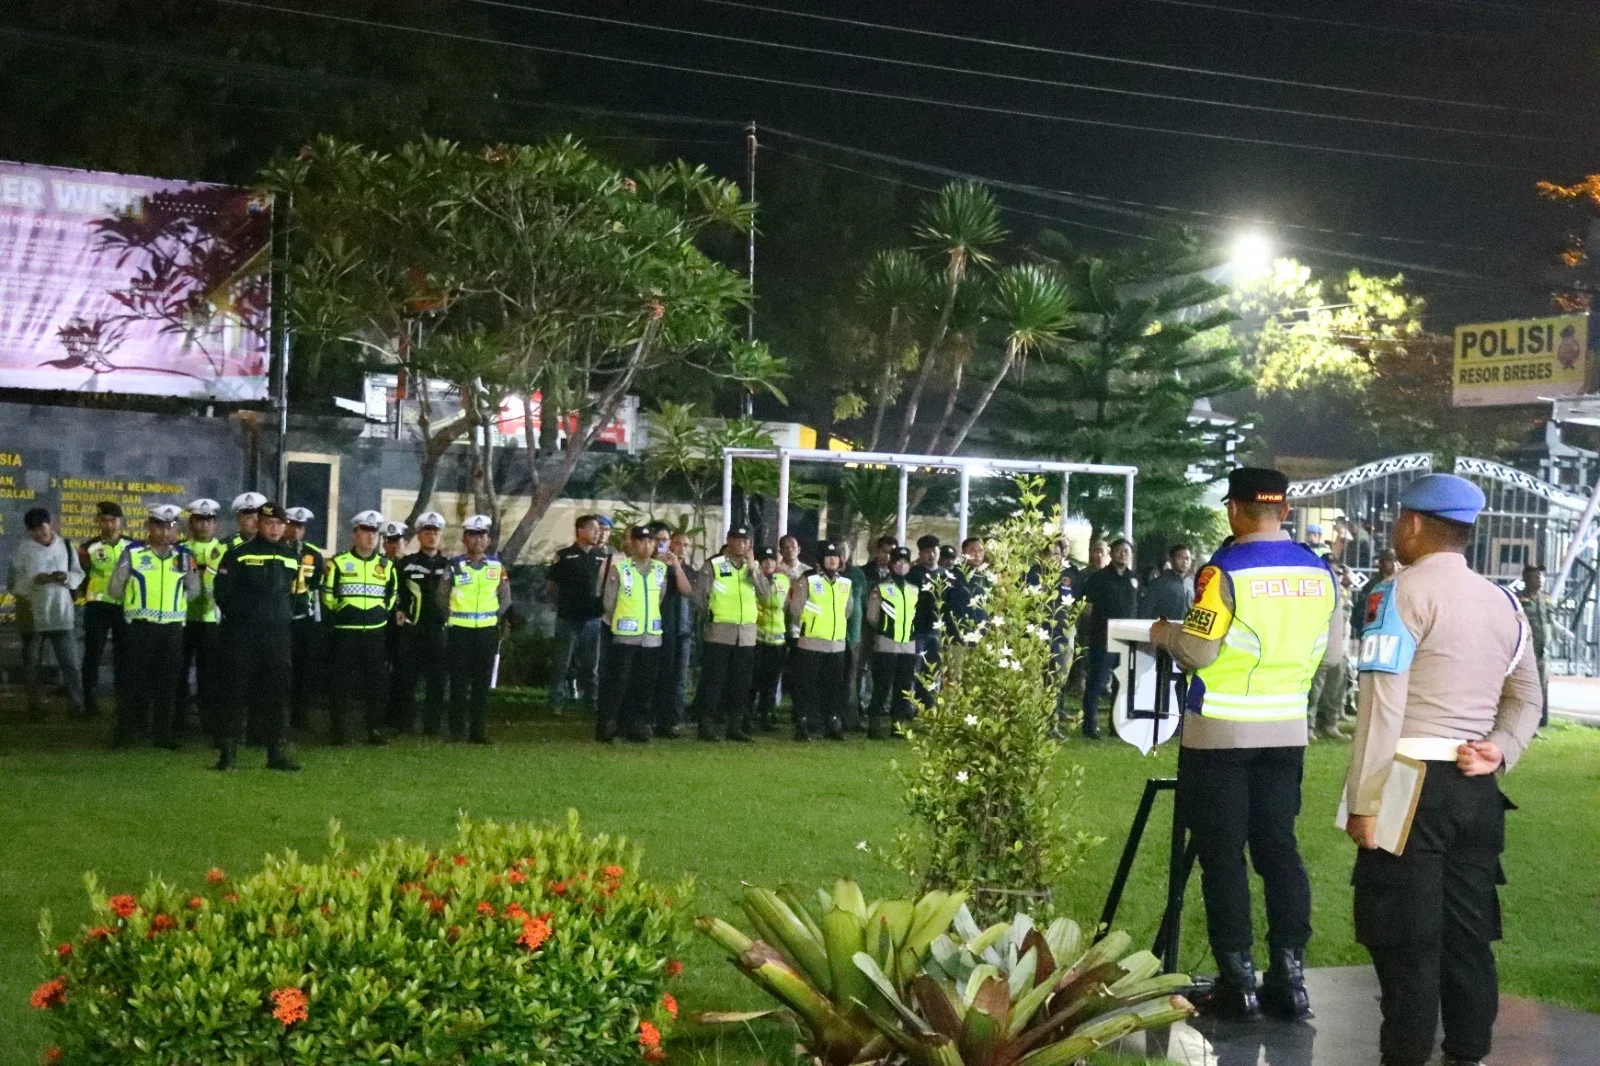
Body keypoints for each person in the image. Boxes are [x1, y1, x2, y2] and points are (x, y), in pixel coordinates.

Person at [1343, 474, 1542, 1066]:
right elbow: (1526, 694)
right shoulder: (1505, 602)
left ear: (1411, 524)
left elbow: (1384, 706)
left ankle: (1404, 1055)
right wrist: (1502, 747)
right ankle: (1469, 1053)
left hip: (1407, 776)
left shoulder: (1396, 595)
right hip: (1477, 787)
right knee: (1468, 934)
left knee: (1404, 939)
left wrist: (1365, 800)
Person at [1150, 467, 1338, 1022]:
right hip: (1286, 729)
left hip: (1222, 733)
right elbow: (1331, 656)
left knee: (1224, 856)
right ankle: (1290, 975)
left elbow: (1200, 652)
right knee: (1279, 848)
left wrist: (1165, 635)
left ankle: (1238, 982)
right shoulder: (1320, 570)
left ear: (1234, 510)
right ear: (1283, 511)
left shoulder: (1223, 571)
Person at [212, 502, 300, 771]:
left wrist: (283, 616)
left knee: (276, 694)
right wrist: (246, 616)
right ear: (258, 524)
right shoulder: (239, 554)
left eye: (279, 524)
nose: (274, 529)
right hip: (244, 634)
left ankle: (275, 753)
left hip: (277, 635)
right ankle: (227, 754)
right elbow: (223, 593)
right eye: (269, 523)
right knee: (236, 692)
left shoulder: (291, 556)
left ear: (285, 527)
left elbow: (295, 594)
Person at [106, 504, 198, 750]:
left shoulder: (184, 556)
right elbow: (115, 588)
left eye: (171, 526)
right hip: (140, 628)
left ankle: (163, 735)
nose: (166, 532)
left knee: (167, 684)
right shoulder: (133, 553)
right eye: (160, 526)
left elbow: (194, 589)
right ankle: (126, 731)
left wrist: (173, 604)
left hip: (172, 629)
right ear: (149, 527)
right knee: (133, 682)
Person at [596, 524, 690, 743]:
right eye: (642, 541)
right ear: (632, 543)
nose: (647, 546)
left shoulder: (660, 570)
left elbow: (660, 597)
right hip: (626, 634)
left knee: (645, 683)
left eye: (651, 541)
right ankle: (609, 724)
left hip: (651, 637)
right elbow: (609, 602)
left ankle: (637, 724)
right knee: (619, 681)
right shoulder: (620, 568)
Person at [321, 510, 397, 746]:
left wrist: (382, 613)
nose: (371, 537)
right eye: (366, 531)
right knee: (340, 682)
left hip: (375, 632)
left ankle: (374, 729)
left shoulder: (386, 565)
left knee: (376, 683)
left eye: (374, 532)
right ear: (355, 534)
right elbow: (327, 594)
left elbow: (391, 595)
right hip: (346, 631)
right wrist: (342, 610)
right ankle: (338, 730)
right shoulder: (339, 563)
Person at [435, 514, 511, 743]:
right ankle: (456, 731)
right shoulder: (454, 565)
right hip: (460, 631)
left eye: (482, 535)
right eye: (473, 535)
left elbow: (505, 598)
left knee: (481, 684)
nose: (477, 540)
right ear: (464, 539)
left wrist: (494, 618)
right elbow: (441, 596)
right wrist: (451, 617)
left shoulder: (496, 566)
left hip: (486, 632)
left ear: (488, 540)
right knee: (458, 682)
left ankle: (478, 731)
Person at [6, 507, 85, 720]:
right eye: (35, 533)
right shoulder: (24, 551)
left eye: (43, 530)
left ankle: (77, 707)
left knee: (70, 665)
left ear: (51, 524)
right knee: (32, 665)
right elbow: (14, 584)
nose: (41, 536)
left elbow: (79, 575)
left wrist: (66, 577)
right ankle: (34, 707)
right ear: (29, 533)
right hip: (34, 615)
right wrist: (34, 581)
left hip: (62, 613)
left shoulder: (67, 546)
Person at [691, 526, 769, 741]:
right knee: (713, 680)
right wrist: (710, 617)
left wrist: (753, 569)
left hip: (746, 634)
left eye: (746, 541)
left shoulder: (751, 567)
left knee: (741, 682)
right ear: (729, 540)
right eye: (738, 540)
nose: (743, 545)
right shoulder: (714, 565)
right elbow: (700, 598)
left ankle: (735, 726)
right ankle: (706, 724)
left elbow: (765, 595)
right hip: (720, 631)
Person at [787, 540, 855, 741]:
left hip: (836, 644)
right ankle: (803, 722)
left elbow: (848, 610)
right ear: (820, 559)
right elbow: (796, 608)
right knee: (807, 686)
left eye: (836, 556)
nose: (833, 560)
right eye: (829, 556)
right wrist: (811, 625)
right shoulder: (807, 580)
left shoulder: (845, 583)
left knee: (833, 686)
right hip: (811, 642)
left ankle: (831, 722)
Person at [396, 511, 452, 735]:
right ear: (419, 535)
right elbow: (397, 591)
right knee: (406, 679)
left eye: (436, 532)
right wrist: (400, 609)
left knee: (437, 680)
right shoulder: (407, 564)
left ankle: (432, 725)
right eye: (427, 532)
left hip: (439, 629)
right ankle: (404, 724)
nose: (431, 536)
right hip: (413, 628)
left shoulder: (450, 565)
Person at [1078, 537, 1140, 739]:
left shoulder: (1134, 579)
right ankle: (1089, 725)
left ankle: (1116, 726)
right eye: (1120, 550)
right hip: (1102, 638)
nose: (1123, 553)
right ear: (1111, 553)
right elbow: (1086, 608)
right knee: (1096, 682)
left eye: (1127, 551)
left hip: (1127, 639)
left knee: (1121, 684)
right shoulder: (1099, 578)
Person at [546, 514, 608, 711]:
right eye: (592, 528)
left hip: (593, 618)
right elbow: (551, 586)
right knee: (562, 663)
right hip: (568, 617)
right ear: (580, 530)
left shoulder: (602, 557)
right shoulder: (564, 556)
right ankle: (556, 700)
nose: (597, 532)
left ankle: (591, 700)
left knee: (591, 665)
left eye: (598, 529)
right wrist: (561, 606)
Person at [78, 501, 132, 719]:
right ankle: (89, 701)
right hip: (97, 606)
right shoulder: (88, 547)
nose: (109, 525)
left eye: (113, 520)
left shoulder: (132, 547)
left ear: (120, 522)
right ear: (98, 522)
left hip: (123, 606)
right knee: (92, 654)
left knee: (124, 655)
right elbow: (82, 575)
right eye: (104, 521)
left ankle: (123, 701)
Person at [181, 499, 227, 742]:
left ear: (215, 524)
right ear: (191, 523)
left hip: (212, 619)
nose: (204, 525)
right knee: (180, 671)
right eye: (199, 519)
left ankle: (209, 723)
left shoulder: (224, 551)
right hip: (184, 618)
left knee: (209, 674)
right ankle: (178, 720)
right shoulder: (180, 549)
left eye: (208, 520)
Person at [863, 546, 919, 739]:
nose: (901, 565)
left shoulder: (914, 590)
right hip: (886, 642)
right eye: (897, 561)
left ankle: (899, 726)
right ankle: (876, 725)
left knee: (904, 687)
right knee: (882, 685)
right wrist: (884, 630)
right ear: (891, 564)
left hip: (908, 645)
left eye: (905, 562)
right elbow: (872, 616)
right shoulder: (881, 587)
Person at [653, 526, 698, 738]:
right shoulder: (658, 566)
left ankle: (673, 719)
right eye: (678, 543)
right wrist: (666, 564)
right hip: (664, 628)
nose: (682, 548)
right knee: (662, 674)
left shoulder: (687, 569)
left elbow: (688, 591)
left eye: (686, 545)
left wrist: (678, 567)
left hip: (684, 630)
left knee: (679, 677)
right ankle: (656, 718)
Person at [284, 507, 326, 731]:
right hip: (280, 620)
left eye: (300, 526)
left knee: (303, 669)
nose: (296, 530)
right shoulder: (277, 550)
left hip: (304, 618)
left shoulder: (313, 554)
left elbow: (317, 587)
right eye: (292, 524)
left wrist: (316, 619)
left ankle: (299, 715)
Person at [1306, 559, 1355, 740]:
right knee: (1314, 692)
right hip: (1320, 650)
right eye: (1335, 571)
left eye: (1340, 572)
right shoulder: (1318, 590)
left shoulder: (1341, 592)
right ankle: (1309, 727)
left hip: (1339, 649)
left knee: (1334, 691)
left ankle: (1330, 724)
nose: (1339, 575)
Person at [751, 546, 791, 731]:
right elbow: (768, 600)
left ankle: (766, 715)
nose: (769, 563)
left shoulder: (783, 580)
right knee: (753, 681)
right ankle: (748, 715)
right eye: (765, 560)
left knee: (771, 682)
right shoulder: (753, 579)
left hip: (777, 640)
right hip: (758, 638)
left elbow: (782, 604)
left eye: (772, 560)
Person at [907, 534, 945, 709]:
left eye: (934, 551)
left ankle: (929, 707)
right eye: (927, 552)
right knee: (916, 671)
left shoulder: (945, 575)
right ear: (921, 554)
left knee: (933, 671)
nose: (932, 555)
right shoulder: (913, 575)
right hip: (918, 630)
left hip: (937, 631)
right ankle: (914, 707)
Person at [1519, 564, 1552, 730]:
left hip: (1542, 650)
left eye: (1541, 577)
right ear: (1526, 579)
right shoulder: (1519, 599)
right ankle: (1527, 723)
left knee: (1543, 685)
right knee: (1528, 687)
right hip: (1527, 650)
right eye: (1536, 577)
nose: (1540, 580)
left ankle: (1541, 721)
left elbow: (1549, 621)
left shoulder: (1545, 598)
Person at [1140, 544, 1193, 622]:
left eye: (1187, 558)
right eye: (1180, 558)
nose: (1185, 562)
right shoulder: (1159, 583)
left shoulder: (1191, 584)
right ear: (1171, 560)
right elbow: (1145, 612)